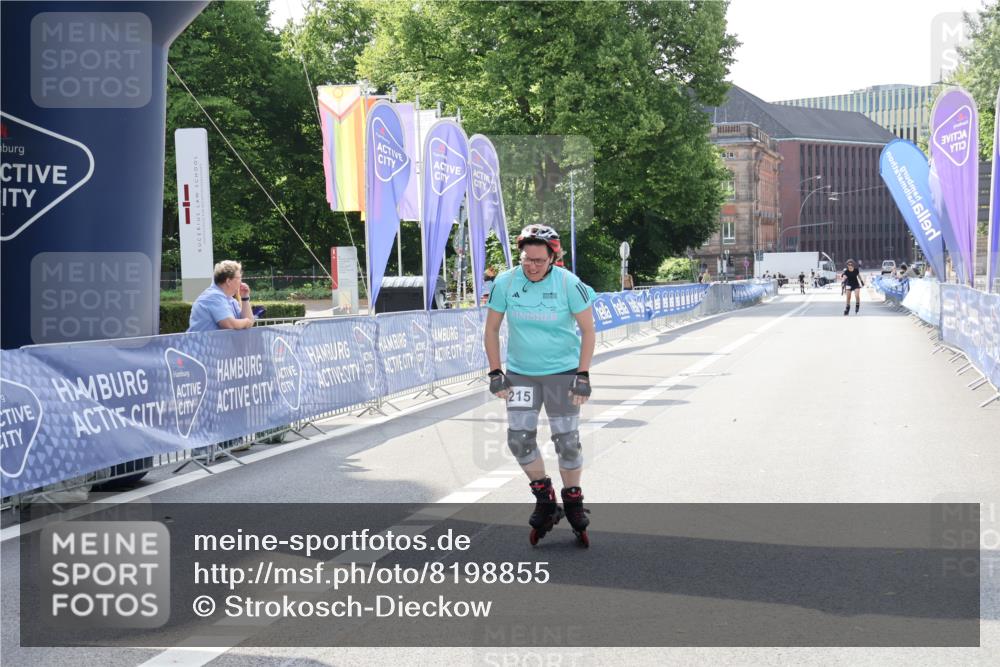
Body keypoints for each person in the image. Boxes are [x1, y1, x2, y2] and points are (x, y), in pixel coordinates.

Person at [483, 224, 597, 546]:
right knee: (519, 440)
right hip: (520, 374)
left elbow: (588, 330)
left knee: (567, 441)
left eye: (538, 261)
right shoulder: (505, 282)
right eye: (525, 260)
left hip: (562, 372)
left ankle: (573, 502)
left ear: (552, 258)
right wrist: (495, 372)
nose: (531, 266)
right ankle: (545, 498)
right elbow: (491, 329)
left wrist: (583, 374)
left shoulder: (568, 284)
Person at [187, 260, 256, 332]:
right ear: (228, 281)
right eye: (239, 278)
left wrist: (245, 298)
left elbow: (248, 321)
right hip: (202, 343)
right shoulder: (213, 296)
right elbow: (229, 324)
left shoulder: (230, 299)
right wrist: (246, 322)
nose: (241, 282)